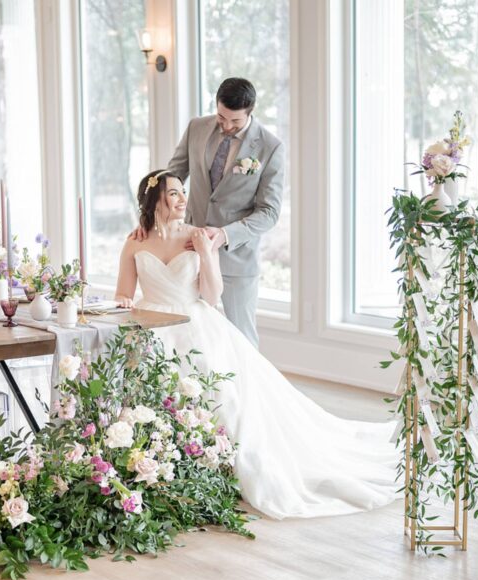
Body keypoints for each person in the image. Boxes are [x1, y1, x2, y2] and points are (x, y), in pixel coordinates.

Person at [116, 170, 399, 520]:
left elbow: (212, 294)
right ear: (153, 200)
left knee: (221, 396)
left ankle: (215, 467)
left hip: (194, 322)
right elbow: (123, 294)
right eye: (173, 193)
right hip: (151, 325)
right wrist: (125, 304)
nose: (182, 199)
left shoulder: (198, 235)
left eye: (182, 192)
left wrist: (205, 252)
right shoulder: (135, 241)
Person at [133, 77, 284, 349]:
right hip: (187, 251)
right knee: (196, 339)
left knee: (242, 340)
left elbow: (269, 212)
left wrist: (225, 234)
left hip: (235, 258)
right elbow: (172, 177)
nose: (226, 126)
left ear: (250, 111)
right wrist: (150, 219)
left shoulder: (270, 147)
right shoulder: (197, 128)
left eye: (234, 122)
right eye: (221, 117)